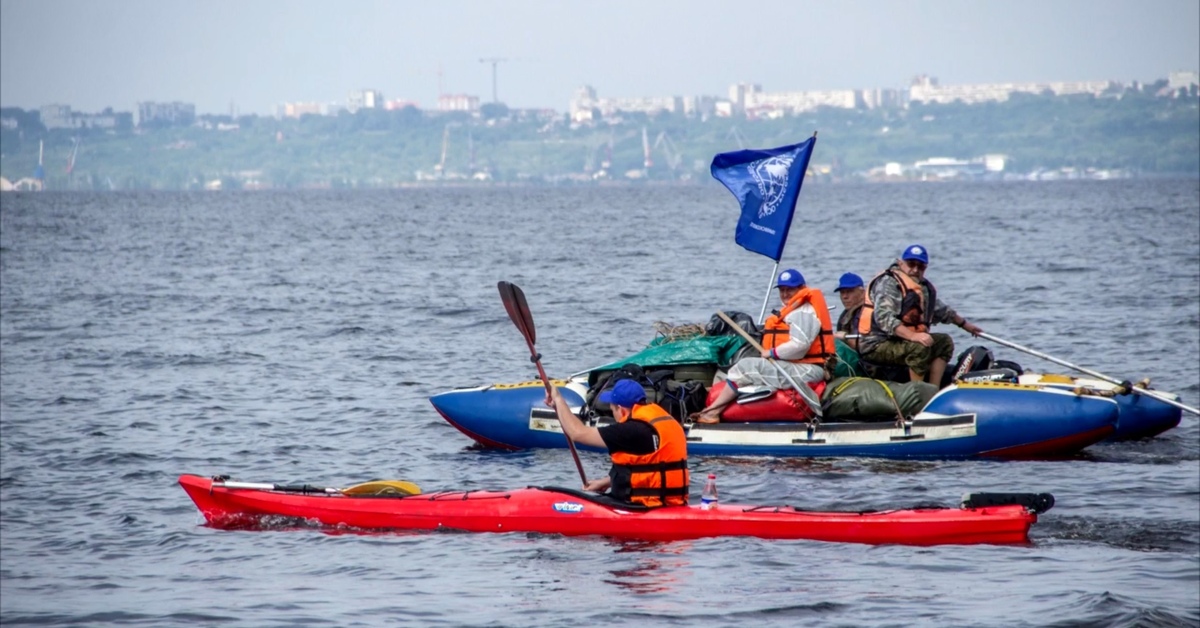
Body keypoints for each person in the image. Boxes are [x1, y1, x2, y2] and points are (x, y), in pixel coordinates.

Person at [690, 268, 835, 424]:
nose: (785, 294)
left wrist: (772, 353)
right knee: (747, 368)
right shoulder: (794, 309)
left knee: (745, 367)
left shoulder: (804, 312)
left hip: (809, 370)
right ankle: (715, 410)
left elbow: (800, 347)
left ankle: (712, 412)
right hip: (795, 366)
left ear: (802, 288)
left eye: (790, 289)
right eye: (782, 290)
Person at [548, 379, 689, 507]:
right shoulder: (665, 422)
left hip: (641, 506)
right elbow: (648, 467)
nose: (613, 415)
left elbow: (577, 433)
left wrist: (558, 400)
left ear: (620, 409)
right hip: (672, 503)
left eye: (612, 410)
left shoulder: (630, 430)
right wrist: (604, 482)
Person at [857, 244, 983, 386]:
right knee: (919, 346)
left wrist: (966, 325)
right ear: (901, 263)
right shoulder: (888, 283)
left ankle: (933, 390)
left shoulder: (921, 288)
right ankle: (918, 393)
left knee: (944, 342)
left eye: (920, 267)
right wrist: (913, 336)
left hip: (900, 341)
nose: (915, 270)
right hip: (877, 344)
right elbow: (884, 318)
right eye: (911, 264)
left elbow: (942, 311)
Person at [833, 272, 866, 351]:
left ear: (862, 292)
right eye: (842, 292)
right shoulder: (845, 315)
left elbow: (870, 346)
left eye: (850, 291)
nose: (845, 297)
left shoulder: (868, 312)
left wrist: (845, 338)